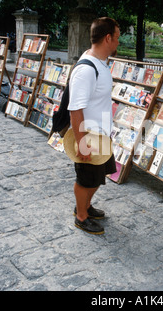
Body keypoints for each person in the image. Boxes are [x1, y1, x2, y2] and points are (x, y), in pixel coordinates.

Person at [68, 17, 120, 235]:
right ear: (108, 38)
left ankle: (85, 206)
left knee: (99, 175)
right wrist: (82, 144)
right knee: (86, 178)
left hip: (101, 135)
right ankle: (81, 216)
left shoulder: (99, 62)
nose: (118, 42)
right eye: (117, 38)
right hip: (89, 137)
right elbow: (75, 109)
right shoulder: (87, 69)